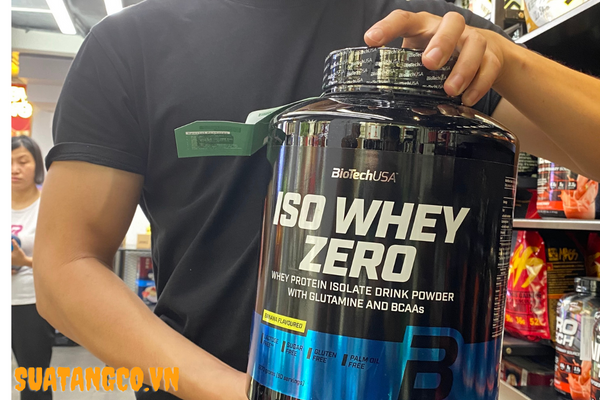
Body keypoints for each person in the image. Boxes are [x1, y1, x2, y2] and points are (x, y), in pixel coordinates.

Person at [33, 0, 600, 399]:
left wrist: (511, 61)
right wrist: (245, 394)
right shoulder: (131, 45)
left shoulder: (426, 32)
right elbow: (65, 269)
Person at [12, 136, 54, 400]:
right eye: (8, 162)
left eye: (22, 161)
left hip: (30, 303)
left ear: (36, 164)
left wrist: (23, 262)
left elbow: (58, 260)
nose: (14, 169)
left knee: (34, 380)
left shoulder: (48, 207)